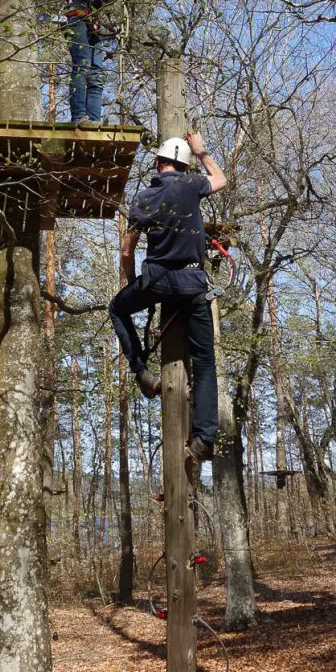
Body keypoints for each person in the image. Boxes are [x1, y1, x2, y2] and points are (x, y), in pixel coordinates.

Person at [109, 131, 227, 462]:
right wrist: (202, 151)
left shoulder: (143, 198)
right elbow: (221, 179)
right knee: (204, 361)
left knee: (118, 309)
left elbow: (126, 249)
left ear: (158, 163)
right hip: (192, 282)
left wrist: (133, 284)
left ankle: (143, 374)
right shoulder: (192, 185)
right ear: (183, 166)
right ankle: (204, 438)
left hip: (157, 282)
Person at [65, 0, 125, 126]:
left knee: (96, 72)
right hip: (77, 17)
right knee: (82, 64)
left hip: (93, 22)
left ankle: (93, 119)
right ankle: (79, 116)